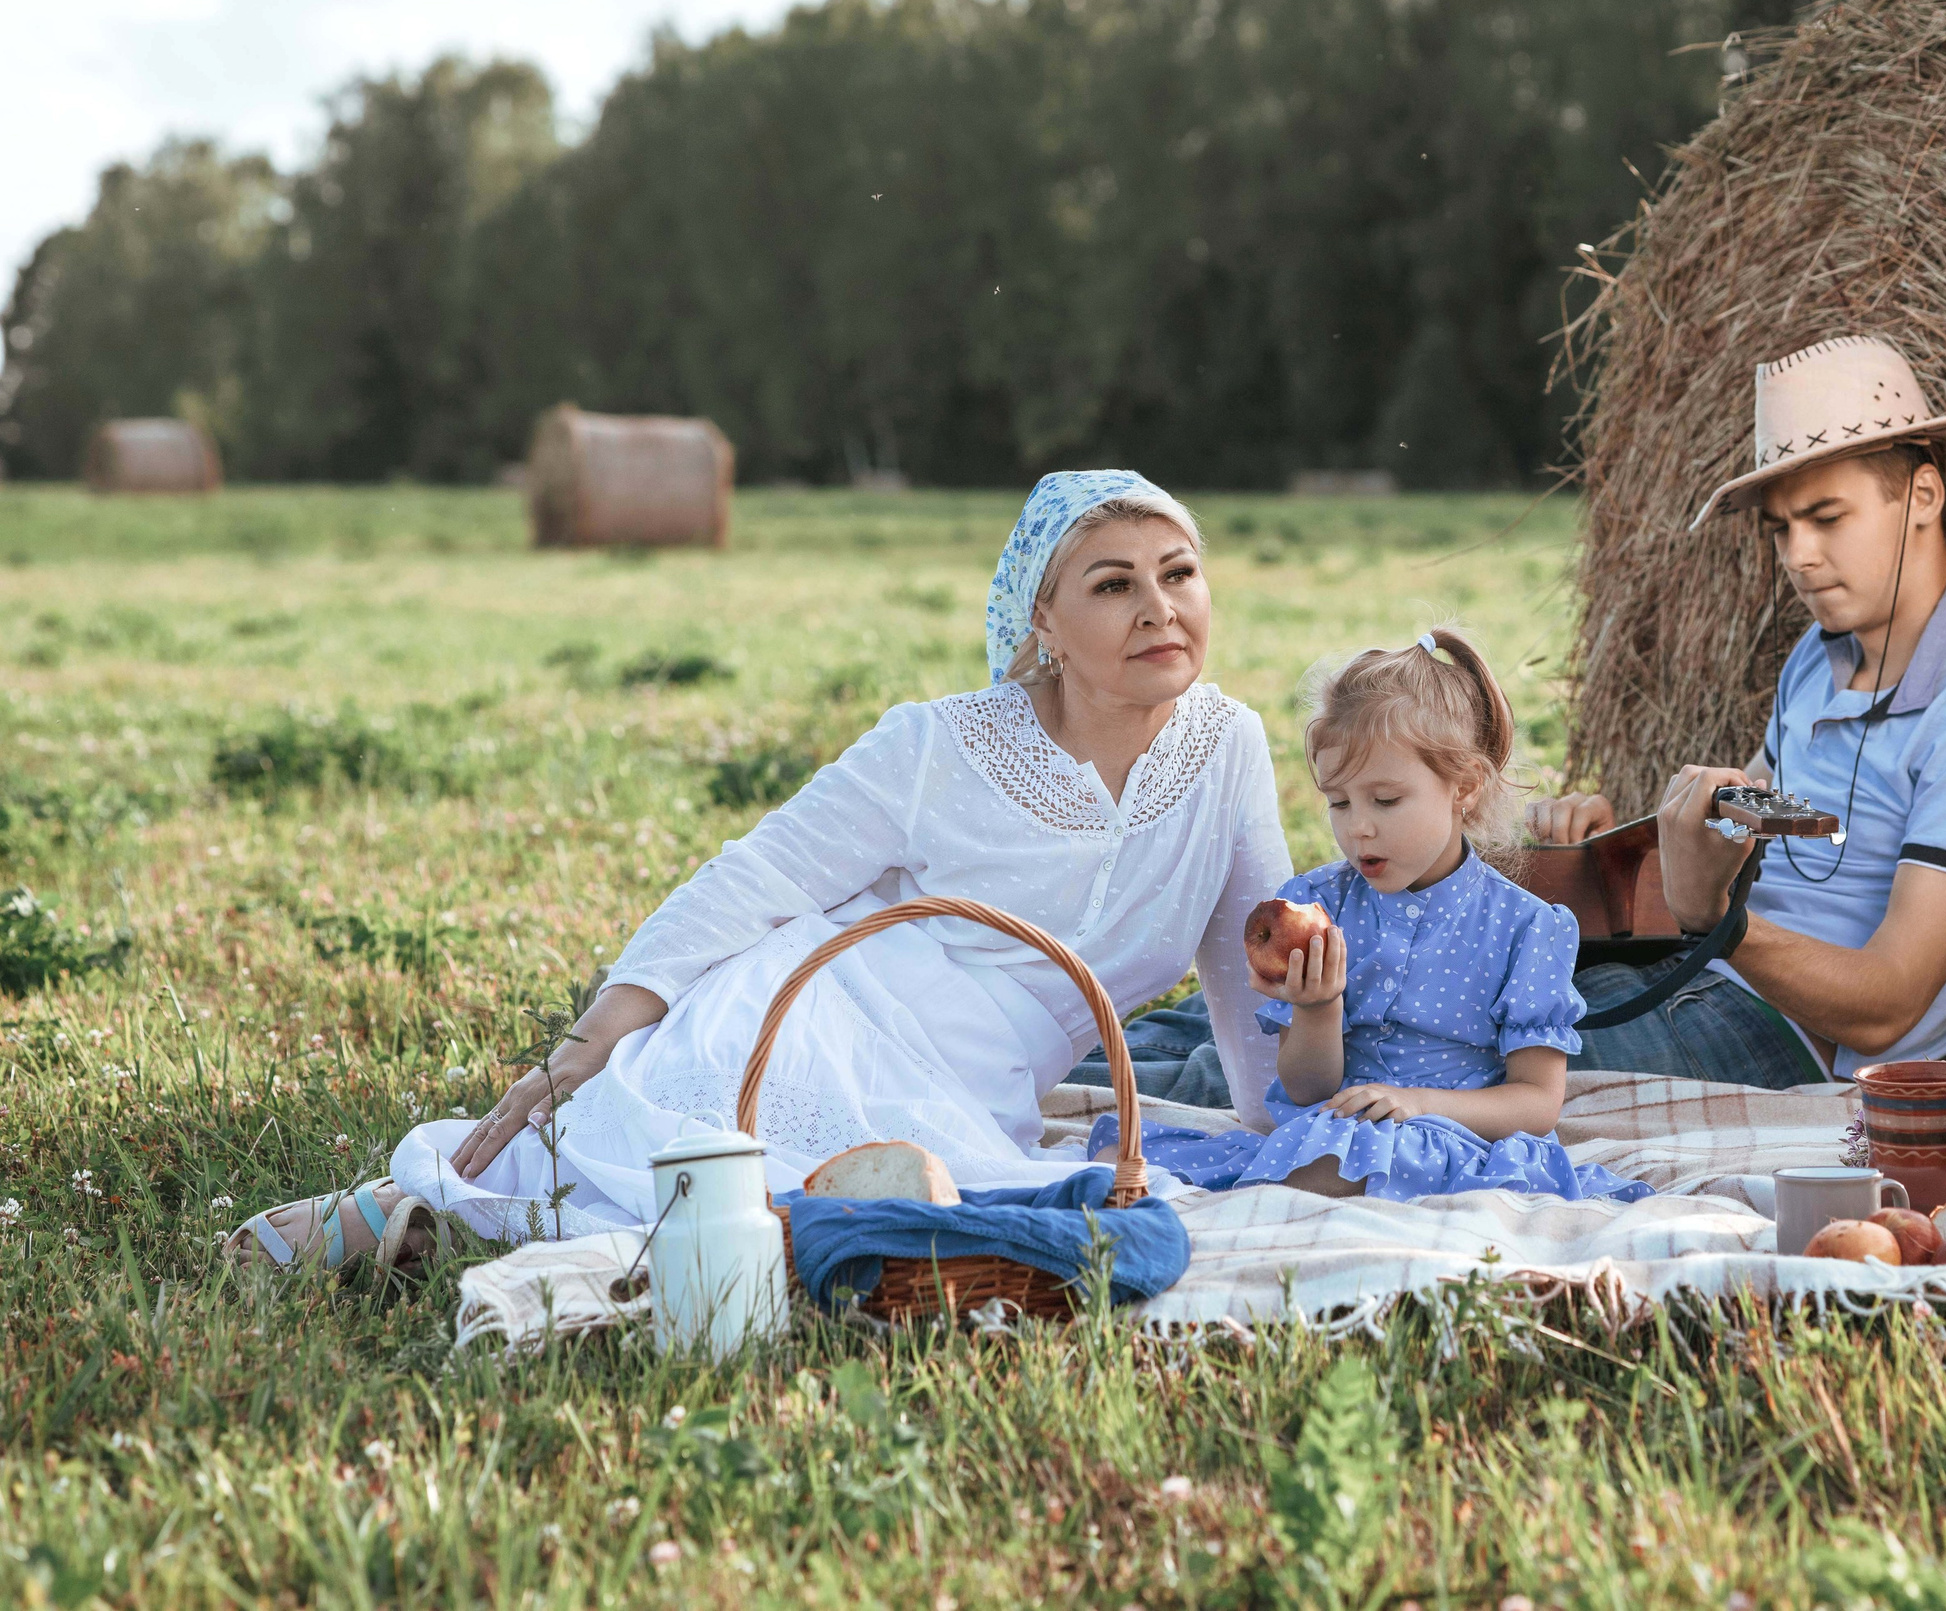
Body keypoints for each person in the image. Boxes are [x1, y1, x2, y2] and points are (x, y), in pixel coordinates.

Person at [226, 471, 1293, 1268]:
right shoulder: (940, 742)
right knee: (687, 1168)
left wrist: (1271, 1129)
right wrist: (598, 1030)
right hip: (821, 1004)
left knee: (877, 1213)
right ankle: (417, 1209)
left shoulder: (1231, 745)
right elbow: (757, 876)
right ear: (1045, 624)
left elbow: (1252, 962)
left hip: (978, 1083)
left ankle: (461, 1227)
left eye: (1179, 573)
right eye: (1115, 585)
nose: (1160, 606)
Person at [1529, 335, 1946, 1088]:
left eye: (1827, 517)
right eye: (1783, 527)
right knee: (1430, 1000)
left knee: (1464, 1062)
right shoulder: (1821, 658)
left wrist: (1720, 923)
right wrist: (1629, 847)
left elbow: (1888, 1003)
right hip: (1702, 978)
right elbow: (1772, 821)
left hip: (1789, 1047)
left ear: (1923, 496)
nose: (1798, 555)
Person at [1089, 628, 1648, 1203]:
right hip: (1330, 1132)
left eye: (1385, 800)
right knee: (1118, 1159)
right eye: (1339, 801)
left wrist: (1419, 1104)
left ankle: (1271, 1202)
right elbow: (1307, 1091)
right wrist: (1317, 1007)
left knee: (1328, 1170)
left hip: (1456, 1138)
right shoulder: (1319, 905)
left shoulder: (1527, 927)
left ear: (1466, 787)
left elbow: (1536, 1102)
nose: (1358, 827)